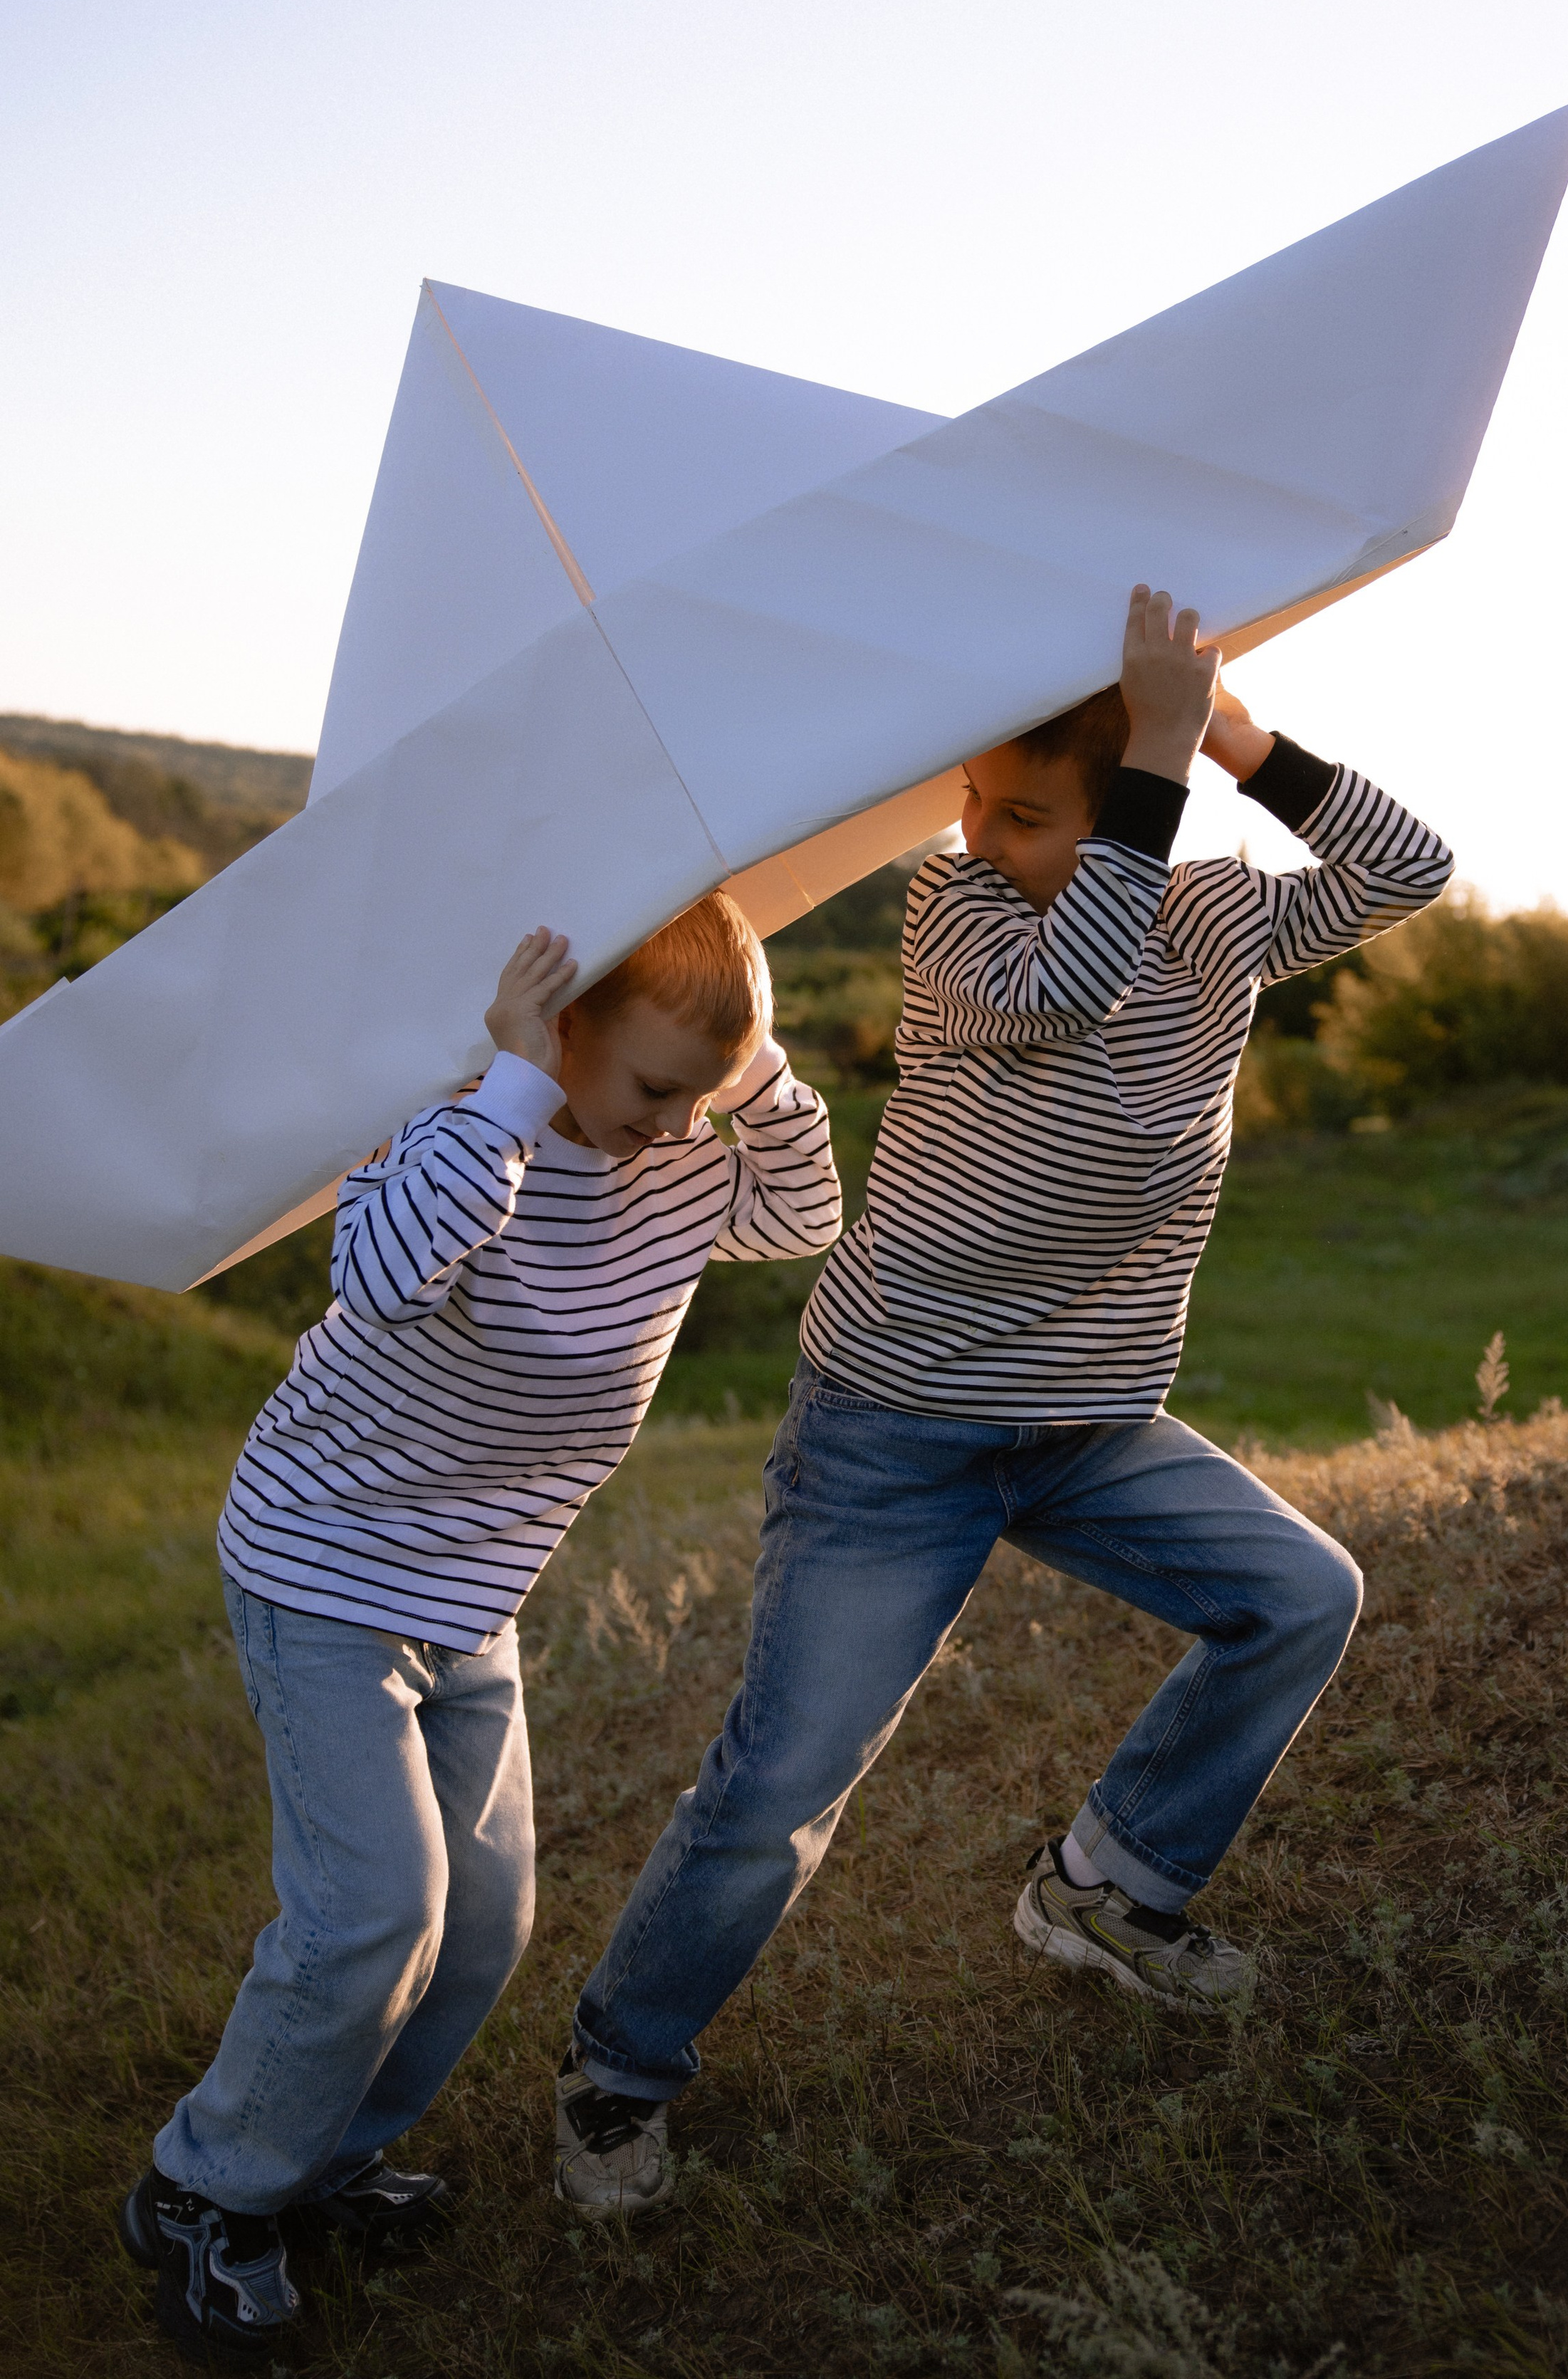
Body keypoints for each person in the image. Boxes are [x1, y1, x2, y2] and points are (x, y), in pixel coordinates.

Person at [555, 585, 1453, 2217]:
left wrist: (1223, 728)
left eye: (1019, 806)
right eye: (973, 794)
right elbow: (1075, 977)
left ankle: (1105, 1882)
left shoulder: (1218, 920)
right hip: (891, 1428)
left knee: (1297, 1594)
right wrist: (1143, 770)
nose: (974, 826)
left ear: (1126, 801)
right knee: (779, 1783)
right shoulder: (957, 916)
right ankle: (618, 2069)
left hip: (1087, 1419)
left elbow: (1409, 867)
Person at [118, 893, 839, 2361]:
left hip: (469, 1594)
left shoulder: (690, 1166)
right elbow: (377, 1280)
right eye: (648, 1084)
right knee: (372, 1910)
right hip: (325, 1565)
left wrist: (748, 1066)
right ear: (555, 1029)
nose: (668, 1120)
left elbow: (812, 1209)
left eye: (700, 1092)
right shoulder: (450, 1129)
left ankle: (319, 2151)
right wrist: (507, 1089)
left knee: (482, 1921)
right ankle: (204, 2187)